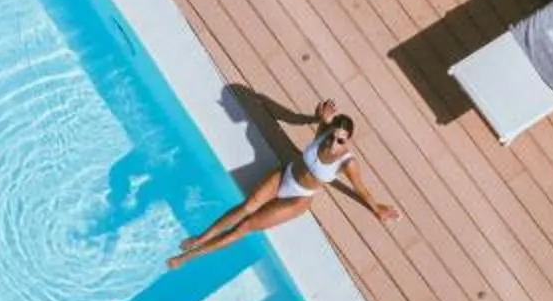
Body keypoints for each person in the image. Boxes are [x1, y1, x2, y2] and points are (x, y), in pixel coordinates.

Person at [169, 99, 400, 267]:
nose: (333, 142)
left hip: (298, 198)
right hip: (285, 175)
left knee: (245, 226)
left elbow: (361, 188)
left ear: (348, 141)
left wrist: (377, 209)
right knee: (246, 207)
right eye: (331, 135)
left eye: (340, 140)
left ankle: (189, 257)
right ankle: (199, 239)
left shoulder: (348, 163)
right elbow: (311, 120)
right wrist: (318, 117)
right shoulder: (323, 132)